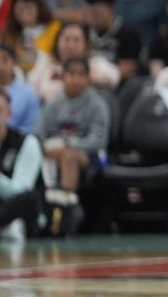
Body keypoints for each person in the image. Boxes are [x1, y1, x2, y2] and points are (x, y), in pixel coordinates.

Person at [35, 57, 110, 234]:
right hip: (55, 152)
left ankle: (66, 210)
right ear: (63, 77)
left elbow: (98, 140)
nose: (76, 79)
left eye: (81, 74)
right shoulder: (53, 104)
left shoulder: (97, 104)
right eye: (71, 74)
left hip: (94, 156)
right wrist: (46, 148)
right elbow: (38, 134)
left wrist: (68, 145)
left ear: (88, 78)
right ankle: (46, 207)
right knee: (41, 152)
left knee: (68, 156)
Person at [0, 88, 43, 239]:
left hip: (14, 209)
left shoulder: (27, 142)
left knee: (30, 198)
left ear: (9, 114)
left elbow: (22, 189)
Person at [0, 46, 41, 139]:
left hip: (17, 145)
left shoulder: (29, 94)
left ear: (13, 63)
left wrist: (7, 139)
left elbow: (31, 126)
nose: (0, 66)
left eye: (5, 60)